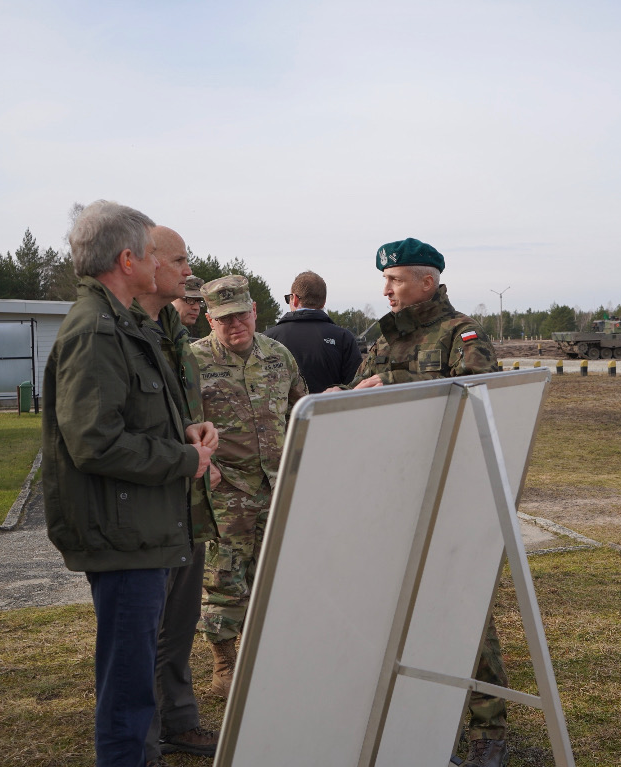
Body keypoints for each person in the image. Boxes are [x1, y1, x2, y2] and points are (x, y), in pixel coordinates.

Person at [42, 200, 217, 767]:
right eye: (151, 252)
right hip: (124, 538)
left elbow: (126, 419)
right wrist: (184, 459)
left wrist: (182, 430)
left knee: (136, 678)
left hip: (141, 530)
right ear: (127, 259)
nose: (167, 265)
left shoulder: (125, 326)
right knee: (127, 691)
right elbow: (93, 441)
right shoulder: (96, 331)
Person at [337, 238, 508, 767]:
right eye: (384, 281)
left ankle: (486, 731)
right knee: (397, 611)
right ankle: (412, 720)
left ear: (427, 282)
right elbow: (360, 394)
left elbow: (481, 397)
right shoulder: (384, 340)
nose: (386, 290)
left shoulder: (463, 335)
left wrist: (389, 381)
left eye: (396, 280)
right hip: (392, 494)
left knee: (463, 610)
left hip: (452, 494)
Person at [192, 275, 307, 698]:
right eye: (224, 319)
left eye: (241, 315)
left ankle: (267, 654)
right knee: (225, 580)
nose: (235, 325)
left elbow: (300, 409)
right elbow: (176, 424)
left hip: (275, 488)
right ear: (209, 319)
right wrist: (202, 463)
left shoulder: (279, 355)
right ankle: (225, 664)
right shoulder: (192, 362)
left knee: (273, 574)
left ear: (255, 311)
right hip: (226, 491)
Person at [130, 227, 220, 764]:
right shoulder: (122, 333)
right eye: (181, 260)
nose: (189, 272)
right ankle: (139, 743)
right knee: (140, 633)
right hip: (148, 507)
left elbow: (179, 409)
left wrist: (198, 431)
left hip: (187, 503)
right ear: (148, 262)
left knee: (181, 622)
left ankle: (179, 721)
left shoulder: (171, 335)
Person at [263, 270, 362, 392]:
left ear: (294, 299)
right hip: (329, 409)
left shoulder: (267, 339)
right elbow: (357, 386)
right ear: (324, 302)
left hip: (283, 411)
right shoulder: (343, 338)